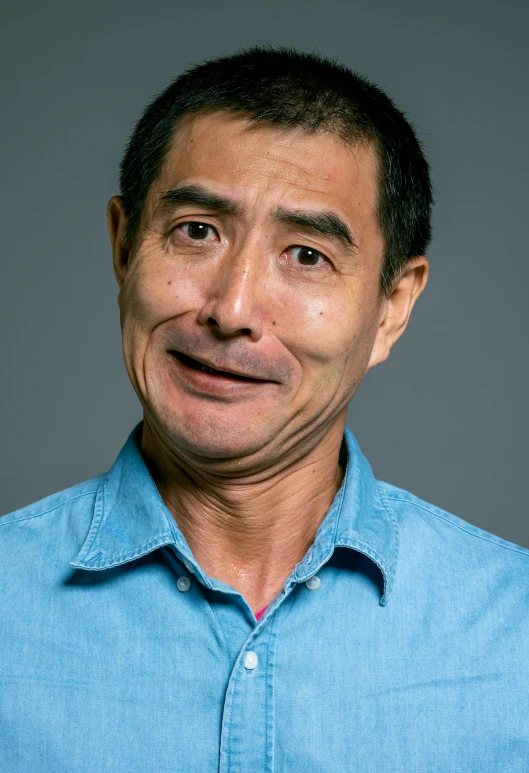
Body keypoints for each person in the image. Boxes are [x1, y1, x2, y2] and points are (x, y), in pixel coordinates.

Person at [1, 46, 527, 773]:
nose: (233, 309)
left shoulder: (512, 630)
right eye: (196, 231)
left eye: (307, 254)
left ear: (391, 307)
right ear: (123, 247)